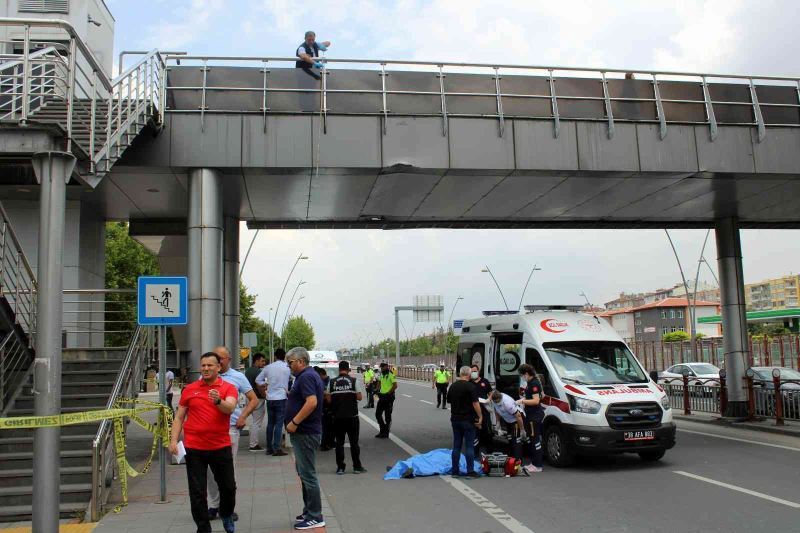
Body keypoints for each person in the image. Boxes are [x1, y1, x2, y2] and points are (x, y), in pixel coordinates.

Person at [170, 352, 238, 533]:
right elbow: (179, 417)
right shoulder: (190, 389)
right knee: (197, 492)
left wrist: (218, 401)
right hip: (194, 448)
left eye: (210, 365)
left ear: (219, 367)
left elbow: (230, 408)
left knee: (228, 487)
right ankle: (203, 528)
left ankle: (226, 514)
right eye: (203, 365)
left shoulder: (228, 388)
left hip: (220, 446)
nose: (206, 369)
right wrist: (173, 440)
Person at [207, 346, 259, 522]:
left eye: (221, 358)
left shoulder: (238, 377)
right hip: (209, 430)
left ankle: (228, 508)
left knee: (228, 471)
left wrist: (243, 416)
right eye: (215, 357)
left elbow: (254, 399)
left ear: (229, 359)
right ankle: (213, 505)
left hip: (229, 428)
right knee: (210, 471)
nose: (217, 361)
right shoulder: (206, 377)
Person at [285, 347, 326, 530]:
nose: (289, 366)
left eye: (290, 362)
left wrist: (294, 422)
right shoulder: (306, 376)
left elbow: (312, 402)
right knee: (303, 473)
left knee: (308, 475)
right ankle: (309, 511)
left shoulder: (307, 377)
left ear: (300, 361)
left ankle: (315, 516)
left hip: (305, 432)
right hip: (304, 433)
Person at [325, 361, 367, 475]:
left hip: (337, 417)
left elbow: (328, 399)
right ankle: (357, 467)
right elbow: (359, 397)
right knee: (354, 443)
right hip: (352, 417)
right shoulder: (353, 381)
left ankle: (340, 468)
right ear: (348, 369)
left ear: (339, 370)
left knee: (339, 443)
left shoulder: (331, 382)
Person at [447, 366, 482, 478]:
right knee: (469, 446)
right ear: (469, 374)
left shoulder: (453, 386)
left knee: (456, 445)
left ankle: (455, 471)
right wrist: (480, 416)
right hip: (467, 420)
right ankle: (470, 471)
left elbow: (449, 400)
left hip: (455, 419)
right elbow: (475, 403)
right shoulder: (471, 387)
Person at [256, 348, 291, 456]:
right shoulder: (287, 367)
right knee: (279, 424)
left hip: (270, 398)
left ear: (275, 356)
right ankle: (277, 448)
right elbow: (295, 378)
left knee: (270, 424)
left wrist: (265, 384)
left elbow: (258, 380)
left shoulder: (268, 367)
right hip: (281, 397)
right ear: (284, 356)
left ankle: (269, 448)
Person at [517, 364, 545, 473]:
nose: (522, 377)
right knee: (532, 440)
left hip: (535, 415)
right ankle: (533, 463)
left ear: (526, 374)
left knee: (535, 440)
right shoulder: (530, 383)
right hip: (530, 414)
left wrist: (522, 401)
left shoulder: (534, 384)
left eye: (522, 375)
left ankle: (537, 465)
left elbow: (536, 401)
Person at [490, 390, 525, 461]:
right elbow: (497, 411)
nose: (497, 404)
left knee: (516, 440)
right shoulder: (493, 401)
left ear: (501, 398)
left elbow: (518, 416)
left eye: (498, 402)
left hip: (516, 420)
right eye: (495, 402)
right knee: (510, 438)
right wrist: (498, 423)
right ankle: (511, 458)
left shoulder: (507, 403)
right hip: (508, 420)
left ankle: (518, 461)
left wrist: (522, 429)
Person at [244, 353, 268, 451]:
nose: (264, 363)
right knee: (257, 422)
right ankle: (253, 444)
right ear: (256, 361)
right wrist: (265, 396)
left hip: (248, 397)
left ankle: (253, 443)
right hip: (258, 399)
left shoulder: (248, 371)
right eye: (262, 361)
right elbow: (260, 386)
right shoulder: (258, 372)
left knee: (252, 421)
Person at [470, 364, 493, 456]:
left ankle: (490, 451)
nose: (473, 373)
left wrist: (489, 399)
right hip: (474, 410)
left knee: (487, 430)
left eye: (475, 371)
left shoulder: (485, 381)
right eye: (472, 371)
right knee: (476, 432)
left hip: (485, 408)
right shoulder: (469, 382)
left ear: (478, 371)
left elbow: (491, 393)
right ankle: (475, 453)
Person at [314, 367, 335, 451]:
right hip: (323, 407)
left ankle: (326, 444)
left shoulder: (329, 382)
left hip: (328, 407)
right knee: (326, 426)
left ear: (321, 374)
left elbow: (328, 395)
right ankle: (326, 443)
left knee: (328, 427)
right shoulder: (321, 382)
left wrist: (324, 394)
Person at [374, 362, 397, 438]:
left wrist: (388, 393)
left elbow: (395, 385)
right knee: (378, 414)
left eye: (382, 367)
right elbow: (379, 382)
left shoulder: (391, 375)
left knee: (387, 416)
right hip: (382, 396)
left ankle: (386, 433)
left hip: (389, 397)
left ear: (386, 367)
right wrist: (377, 390)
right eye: (381, 367)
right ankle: (382, 429)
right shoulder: (382, 375)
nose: (381, 369)